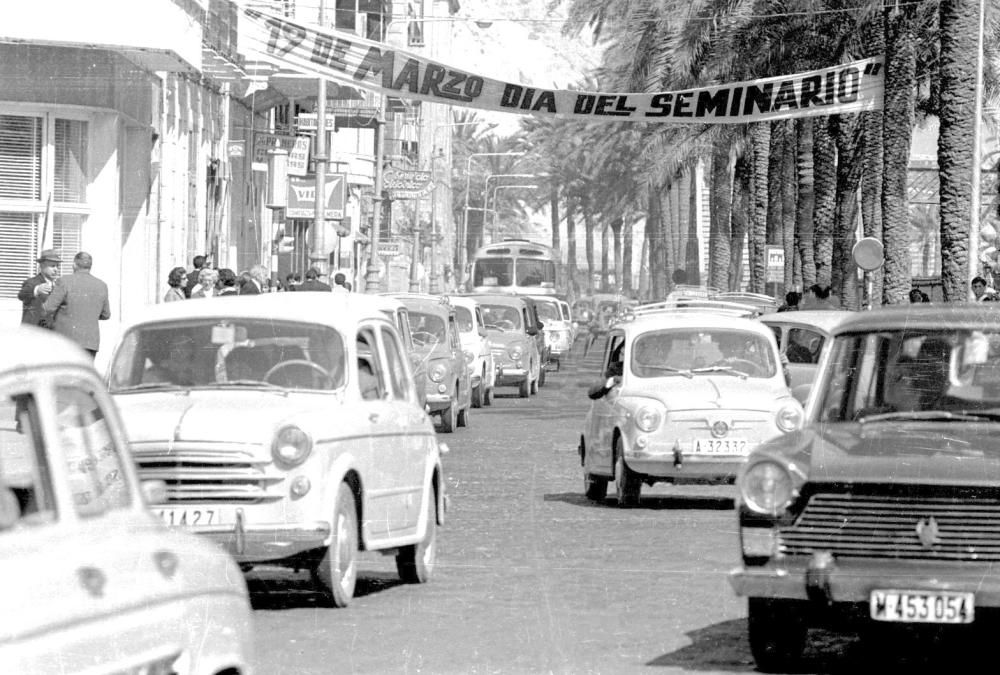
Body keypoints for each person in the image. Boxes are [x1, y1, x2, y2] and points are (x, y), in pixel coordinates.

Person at [41, 252, 110, 359]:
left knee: (63, 374)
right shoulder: (102, 285)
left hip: (66, 341)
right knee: (83, 375)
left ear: (74, 265)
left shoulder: (64, 281)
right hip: (90, 343)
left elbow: (48, 308)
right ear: (90, 267)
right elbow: (106, 314)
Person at [18, 249, 61, 327]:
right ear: (42, 266)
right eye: (52, 266)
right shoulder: (32, 282)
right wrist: (36, 290)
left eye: (57, 266)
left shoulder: (58, 286)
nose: (56, 269)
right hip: (33, 333)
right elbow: (21, 295)